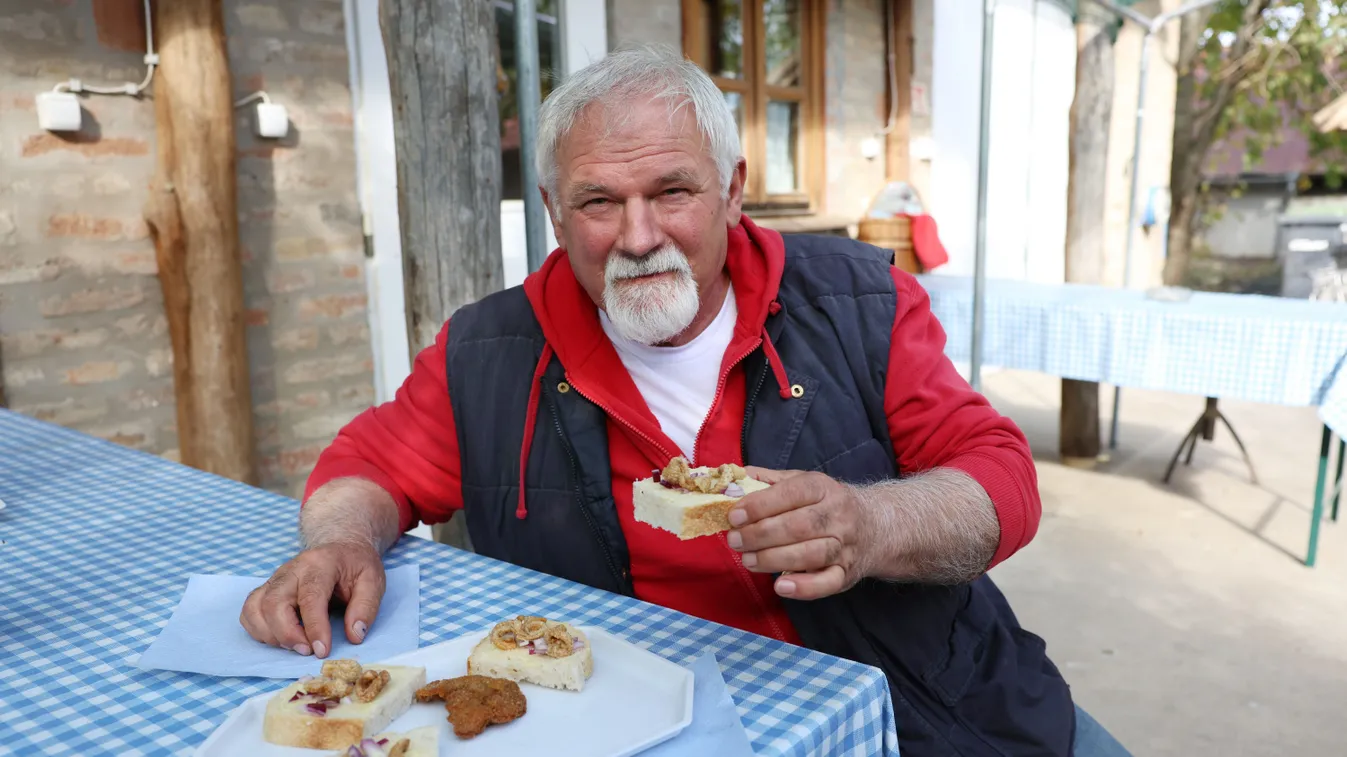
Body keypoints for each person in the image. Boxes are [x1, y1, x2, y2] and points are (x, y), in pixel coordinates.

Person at [240, 47, 1130, 757]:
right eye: (599, 201)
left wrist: (871, 522)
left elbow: (1001, 478)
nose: (637, 236)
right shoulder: (488, 348)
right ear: (554, 209)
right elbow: (366, 466)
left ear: (733, 189)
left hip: (923, 703)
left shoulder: (860, 301)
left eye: (671, 191)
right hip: (632, 725)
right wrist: (340, 542)